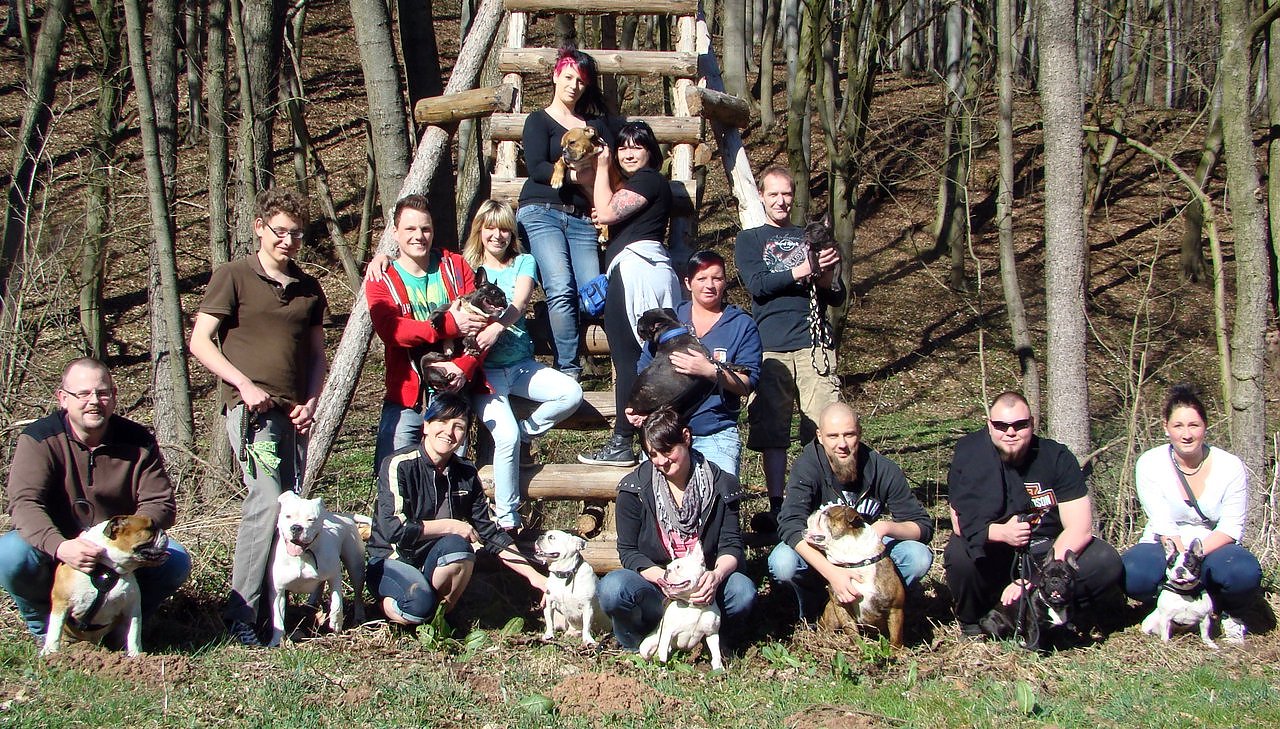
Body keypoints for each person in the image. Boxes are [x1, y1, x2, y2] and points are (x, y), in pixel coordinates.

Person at [190, 188, 328, 646]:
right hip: (252, 413)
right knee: (267, 502)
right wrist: (244, 385)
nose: (288, 241)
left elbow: (317, 355)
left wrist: (312, 400)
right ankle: (241, 616)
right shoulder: (233, 276)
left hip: (294, 415)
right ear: (259, 228)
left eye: (296, 234)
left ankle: (277, 613)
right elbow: (200, 342)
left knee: (288, 510)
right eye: (280, 231)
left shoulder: (308, 288)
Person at [0, 358, 191, 640]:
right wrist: (60, 546)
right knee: (10, 554)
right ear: (63, 398)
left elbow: (160, 503)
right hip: (58, 549)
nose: (94, 402)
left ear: (114, 396)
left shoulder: (138, 441)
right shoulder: (39, 439)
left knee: (175, 561)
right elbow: (24, 503)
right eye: (83, 394)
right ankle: (46, 631)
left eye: (102, 393)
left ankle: (119, 632)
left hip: (119, 549)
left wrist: (121, 545)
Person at [944, 391, 1123, 639]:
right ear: (989, 425)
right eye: (1001, 425)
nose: (1010, 432)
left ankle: (1062, 613)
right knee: (960, 554)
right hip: (996, 551)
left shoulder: (1056, 457)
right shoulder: (970, 456)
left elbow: (1080, 527)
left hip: (1046, 553)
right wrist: (1002, 533)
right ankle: (975, 620)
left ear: (1032, 423)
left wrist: (1037, 576)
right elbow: (960, 523)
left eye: (1020, 425)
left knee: (1104, 560)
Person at [366, 393, 546, 625]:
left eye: (458, 426)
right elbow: (394, 529)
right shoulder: (399, 464)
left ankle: (440, 620)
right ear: (426, 425)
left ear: (464, 436)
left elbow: (490, 534)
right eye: (441, 422)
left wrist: (535, 578)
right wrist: (451, 525)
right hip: (393, 558)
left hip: (435, 558)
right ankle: (391, 609)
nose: (449, 432)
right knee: (417, 607)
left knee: (459, 548)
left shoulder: (466, 472)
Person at [463, 199, 584, 532]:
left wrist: (497, 327)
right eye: (490, 228)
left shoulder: (523, 262)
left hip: (520, 365)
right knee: (506, 436)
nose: (498, 235)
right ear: (479, 230)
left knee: (571, 393)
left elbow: (519, 301)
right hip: (484, 373)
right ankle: (506, 517)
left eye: (504, 229)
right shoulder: (465, 266)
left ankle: (528, 432)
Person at [596, 406, 756, 651]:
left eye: (668, 450)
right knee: (612, 588)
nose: (661, 461)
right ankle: (637, 644)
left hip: (705, 587)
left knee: (742, 591)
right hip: (657, 586)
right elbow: (628, 552)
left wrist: (714, 578)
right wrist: (664, 580)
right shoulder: (633, 489)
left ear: (686, 438)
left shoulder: (723, 485)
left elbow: (731, 546)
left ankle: (716, 642)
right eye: (653, 454)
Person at [734, 165, 844, 520]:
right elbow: (758, 285)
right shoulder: (750, 240)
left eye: (786, 194)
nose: (781, 201)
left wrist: (826, 273)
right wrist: (803, 269)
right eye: (774, 194)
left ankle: (824, 501)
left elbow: (836, 295)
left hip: (814, 345)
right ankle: (778, 505)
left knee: (825, 427)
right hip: (769, 347)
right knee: (772, 432)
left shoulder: (810, 236)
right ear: (761, 197)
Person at [768, 403, 934, 623]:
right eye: (833, 436)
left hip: (867, 557)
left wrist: (884, 527)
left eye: (849, 434)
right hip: (822, 554)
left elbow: (922, 526)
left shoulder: (882, 468)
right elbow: (789, 525)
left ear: (860, 433)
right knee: (783, 562)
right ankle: (813, 612)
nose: (842, 444)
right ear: (820, 436)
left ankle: (879, 609)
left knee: (917, 556)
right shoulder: (808, 466)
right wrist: (832, 573)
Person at [1121, 385, 1261, 643]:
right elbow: (1162, 522)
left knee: (1242, 572)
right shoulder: (1149, 463)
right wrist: (1180, 562)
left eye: (1194, 425)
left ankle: (1229, 612)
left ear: (1205, 427)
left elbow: (1231, 527)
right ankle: (1168, 606)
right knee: (1133, 571)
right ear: (1166, 427)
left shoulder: (1230, 466)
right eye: (1178, 426)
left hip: (1213, 545)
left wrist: (1193, 558)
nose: (1186, 435)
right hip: (1166, 544)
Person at [578, 120, 680, 467]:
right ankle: (655, 439)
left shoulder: (649, 179)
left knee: (629, 359)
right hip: (642, 269)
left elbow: (606, 212)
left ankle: (624, 441)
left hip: (638, 269)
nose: (628, 153)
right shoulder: (638, 185)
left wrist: (603, 165)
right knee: (645, 358)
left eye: (637, 146)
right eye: (623, 147)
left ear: (651, 152)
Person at [366, 194, 489, 473]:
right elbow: (392, 331)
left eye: (425, 229)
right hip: (407, 397)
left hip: (453, 394)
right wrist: (448, 326)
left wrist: (464, 367)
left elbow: (482, 325)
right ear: (395, 232)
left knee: (449, 478)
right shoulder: (382, 277)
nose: (419, 236)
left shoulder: (455, 267)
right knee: (394, 474)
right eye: (410, 229)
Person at [517, 46, 612, 380]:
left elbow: (607, 166)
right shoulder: (538, 120)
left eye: (581, 81)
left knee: (592, 293)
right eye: (569, 77)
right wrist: (573, 176)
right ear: (556, 76)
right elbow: (536, 167)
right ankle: (568, 370)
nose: (574, 85)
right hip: (541, 210)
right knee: (560, 287)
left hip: (582, 217)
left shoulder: (594, 127)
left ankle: (551, 318)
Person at [627, 250, 762, 476]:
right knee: (658, 498)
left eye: (717, 278)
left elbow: (747, 384)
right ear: (688, 283)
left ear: (725, 282)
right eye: (701, 279)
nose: (709, 285)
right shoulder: (668, 320)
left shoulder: (742, 325)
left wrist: (709, 371)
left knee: (719, 497)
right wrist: (638, 410)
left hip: (715, 434)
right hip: (663, 436)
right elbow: (644, 370)